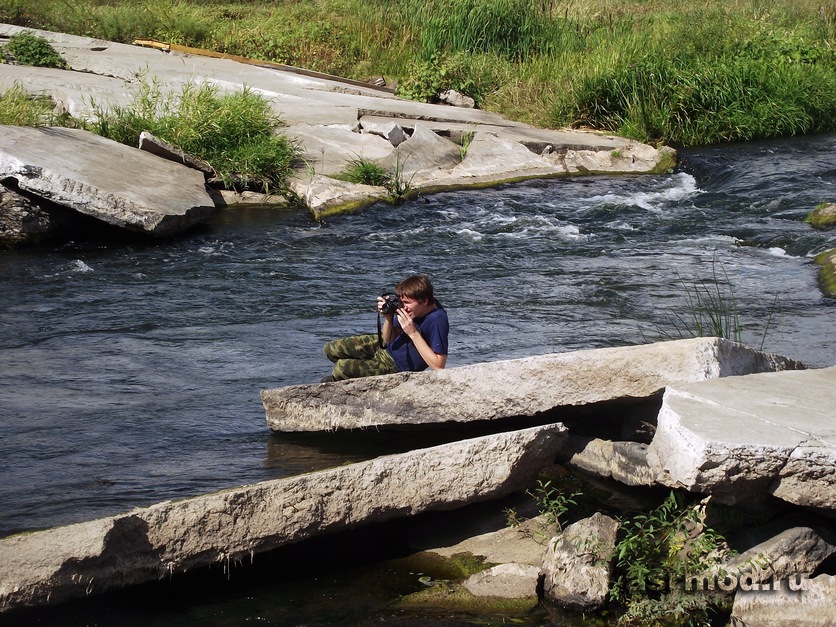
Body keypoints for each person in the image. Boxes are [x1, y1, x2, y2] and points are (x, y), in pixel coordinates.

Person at [322, 274, 449, 382]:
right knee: (330, 349)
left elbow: (439, 365)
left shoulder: (437, 320)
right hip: (386, 348)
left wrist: (413, 333)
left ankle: (339, 380)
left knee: (341, 368)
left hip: (395, 365)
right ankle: (344, 377)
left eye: (407, 303)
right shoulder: (415, 310)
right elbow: (387, 339)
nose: (404, 307)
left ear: (425, 301)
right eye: (402, 302)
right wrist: (388, 317)